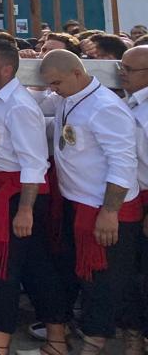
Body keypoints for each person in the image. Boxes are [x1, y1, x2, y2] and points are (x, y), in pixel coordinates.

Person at [40, 49, 142, 355]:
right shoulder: (66, 98)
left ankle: (112, 338)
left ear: (76, 73)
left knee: (111, 279)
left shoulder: (105, 108)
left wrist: (110, 212)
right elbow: (40, 103)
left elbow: (123, 163)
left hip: (108, 209)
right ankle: (104, 333)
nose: (53, 89)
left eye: (57, 82)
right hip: (79, 205)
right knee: (88, 277)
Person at [0, 39, 67, 355]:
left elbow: (34, 162)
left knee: (4, 271)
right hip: (1, 191)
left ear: (6, 68)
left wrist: (25, 209)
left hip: (18, 195)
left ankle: (0, 345)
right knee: (36, 267)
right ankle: (56, 340)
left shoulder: (19, 105)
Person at [120, 46, 148, 351]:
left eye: (129, 70)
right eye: (122, 68)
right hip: (133, 194)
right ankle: (133, 331)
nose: (122, 74)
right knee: (130, 271)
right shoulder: (129, 103)